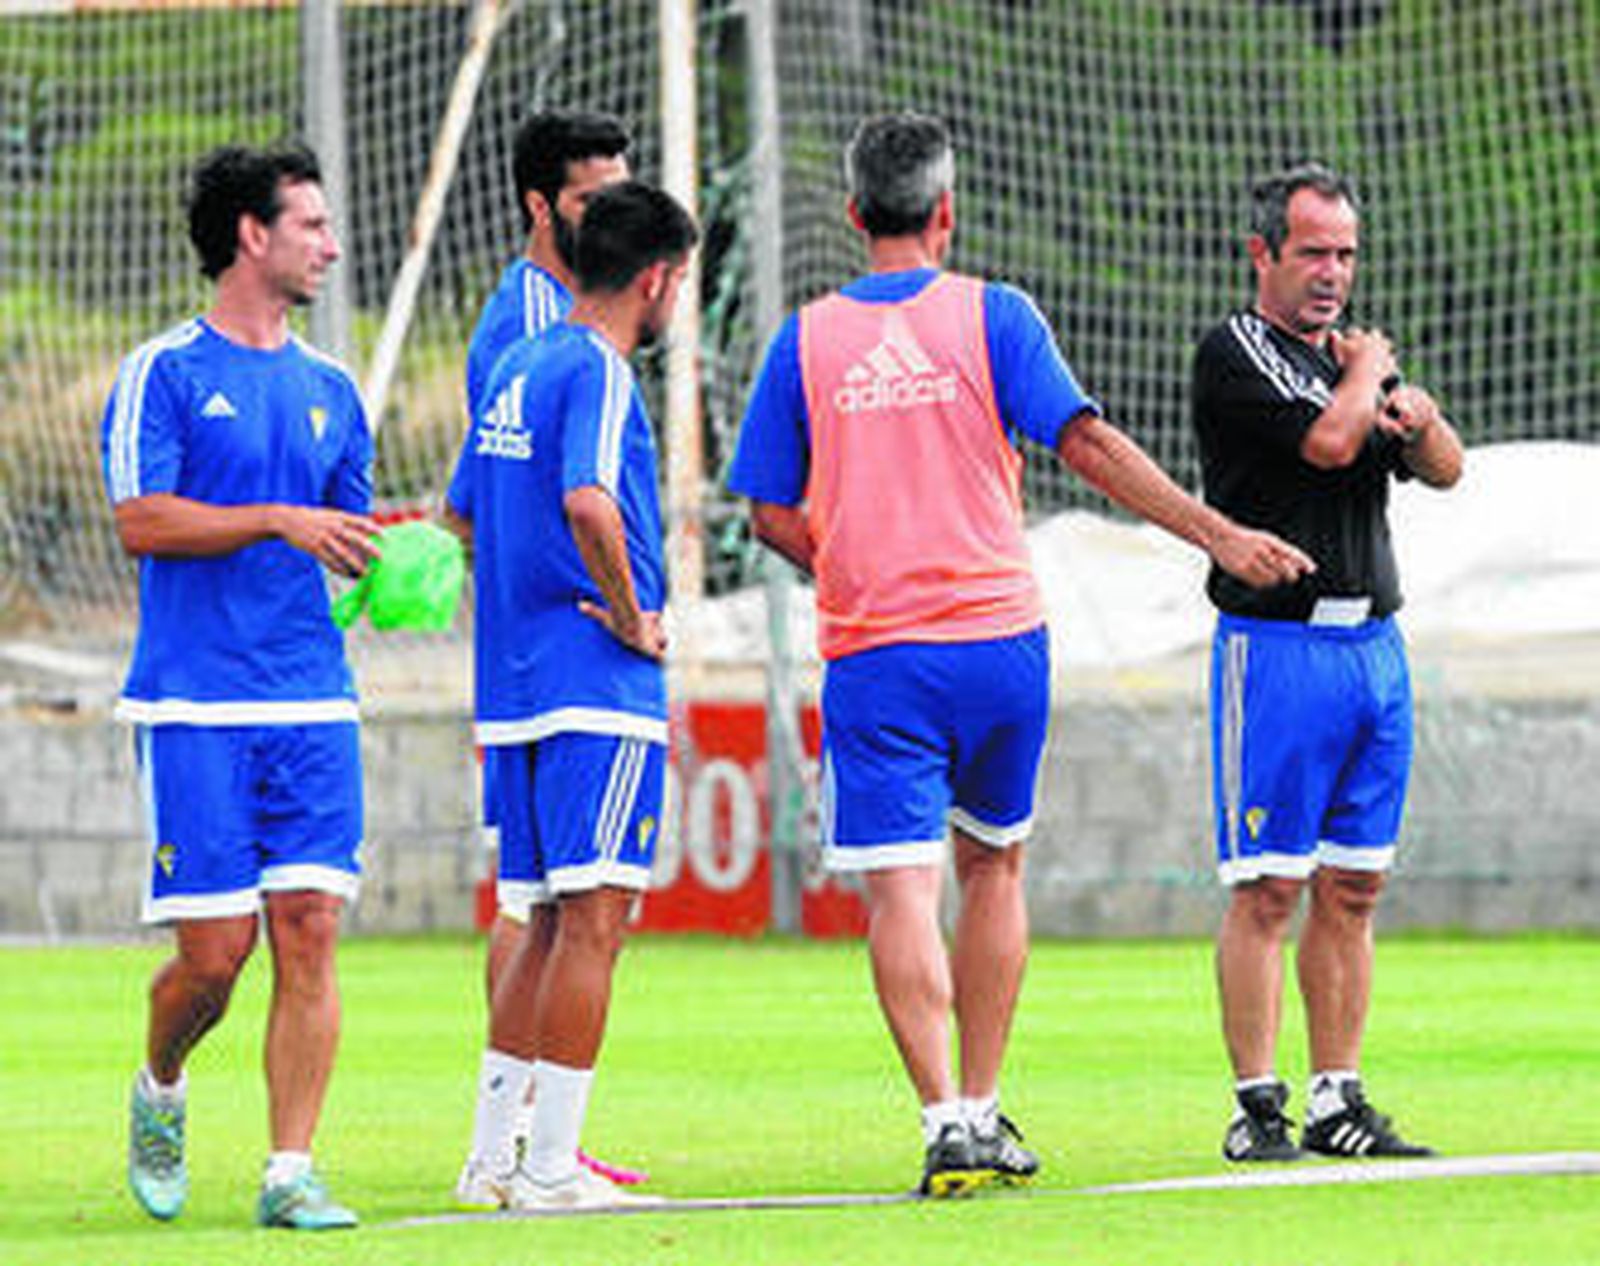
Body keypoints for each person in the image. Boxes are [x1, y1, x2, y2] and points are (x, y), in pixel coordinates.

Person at [728, 111, 1313, 1197]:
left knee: (900, 890)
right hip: (1000, 640)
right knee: (993, 865)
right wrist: (1217, 534)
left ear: (854, 214)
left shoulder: (804, 340)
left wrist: (847, 563)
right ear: (946, 213)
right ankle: (985, 1103)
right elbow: (1085, 442)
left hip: (879, 649)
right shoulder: (995, 314)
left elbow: (764, 511)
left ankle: (943, 1121)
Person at [100, 142, 380, 1230]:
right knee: (214, 960)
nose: (331, 246)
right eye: (312, 225)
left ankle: (289, 1171)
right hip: (195, 704)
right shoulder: (162, 373)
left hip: (313, 699)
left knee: (309, 927)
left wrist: (399, 566)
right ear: (252, 235)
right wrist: (275, 518)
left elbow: (345, 536)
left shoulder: (333, 390)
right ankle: (162, 1080)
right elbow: (141, 520)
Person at [1192, 161, 1463, 1162]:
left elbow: (1445, 469)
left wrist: (1418, 416)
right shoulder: (1239, 350)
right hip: (1278, 651)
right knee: (1268, 886)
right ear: (1261, 253)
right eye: (1313, 252)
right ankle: (1257, 1105)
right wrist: (1368, 373)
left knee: (1354, 886)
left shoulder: (1354, 364)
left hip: (1372, 650)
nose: (1333, 274)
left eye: (1345, 254)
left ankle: (1336, 1098)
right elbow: (1327, 443)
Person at [451, 180, 698, 1211]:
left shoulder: (519, 363)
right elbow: (590, 502)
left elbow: (464, 513)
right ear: (657, 280)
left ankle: (490, 1162)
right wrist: (632, 615)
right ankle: (551, 1167)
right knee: (595, 922)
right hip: (594, 685)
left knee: (543, 919)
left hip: (514, 688)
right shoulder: (597, 368)